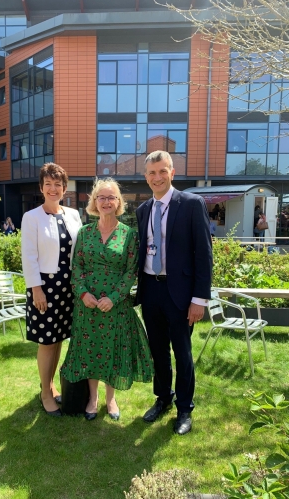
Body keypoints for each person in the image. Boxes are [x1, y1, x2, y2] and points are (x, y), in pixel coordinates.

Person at [60, 178, 154, 421]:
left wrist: (113, 298)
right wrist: (83, 294)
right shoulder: (85, 232)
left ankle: (111, 399)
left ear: (119, 202)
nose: (106, 202)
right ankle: (92, 398)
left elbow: (131, 271)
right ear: (94, 202)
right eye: (101, 197)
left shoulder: (129, 235)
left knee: (112, 350)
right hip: (87, 306)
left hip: (115, 306)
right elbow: (76, 267)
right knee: (90, 350)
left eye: (111, 197)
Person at [135, 151, 212, 435]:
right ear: (146, 177)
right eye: (152, 173)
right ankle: (163, 398)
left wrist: (199, 299)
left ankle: (184, 409)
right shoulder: (143, 210)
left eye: (162, 171)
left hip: (181, 293)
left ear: (172, 172)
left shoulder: (192, 203)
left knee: (182, 353)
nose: (157, 177)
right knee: (158, 351)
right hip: (151, 289)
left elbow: (204, 253)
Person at [21, 163, 82, 417]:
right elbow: (29, 257)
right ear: (41, 188)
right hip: (44, 287)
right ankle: (45, 392)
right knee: (47, 341)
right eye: (48, 184)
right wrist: (36, 289)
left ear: (64, 188)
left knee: (58, 339)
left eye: (58, 184)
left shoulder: (73, 214)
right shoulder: (31, 217)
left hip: (69, 287)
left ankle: (50, 384)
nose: (53, 188)